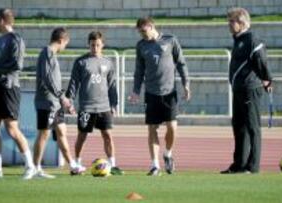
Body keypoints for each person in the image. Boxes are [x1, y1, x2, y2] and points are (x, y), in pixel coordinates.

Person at [128, 17, 190, 176]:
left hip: (169, 92)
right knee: (152, 129)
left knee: (172, 127)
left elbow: (181, 63)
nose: (142, 34)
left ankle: (168, 154)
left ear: (151, 26)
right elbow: (139, 71)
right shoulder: (141, 46)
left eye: (143, 31)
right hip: (151, 93)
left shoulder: (170, 40)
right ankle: (155, 165)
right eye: (140, 32)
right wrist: (136, 91)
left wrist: (186, 84)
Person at [0, 8, 35, 179]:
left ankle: (30, 165)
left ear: (2, 20)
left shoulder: (16, 39)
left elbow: (17, 64)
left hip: (9, 87)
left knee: (11, 129)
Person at [221, 7, 273, 174]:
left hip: (250, 89)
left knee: (252, 127)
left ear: (241, 23)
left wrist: (267, 79)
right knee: (239, 127)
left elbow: (261, 61)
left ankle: (253, 166)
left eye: (231, 21)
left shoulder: (252, 39)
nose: (229, 24)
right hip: (238, 89)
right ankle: (239, 165)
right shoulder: (238, 39)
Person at [65, 31, 123, 175]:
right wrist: (69, 101)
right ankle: (77, 164)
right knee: (82, 136)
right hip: (86, 106)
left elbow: (112, 85)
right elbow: (74, 83)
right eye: (92, 45)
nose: (95, 48)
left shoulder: (108, 63)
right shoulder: (81, 62)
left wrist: (114, 104)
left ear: (102, 45)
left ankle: (112, 164)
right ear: (88, 45)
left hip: (104, 106)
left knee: (108, 136)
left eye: (98, 45)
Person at [33, 27, 82, 178]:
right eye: (65, 44)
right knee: (44, 133)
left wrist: (64, 102)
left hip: (56, 103)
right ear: (61, 41)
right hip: (47, 102)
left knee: (62, 132)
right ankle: (35, 168)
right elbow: (48, 80)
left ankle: (73, 165)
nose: (65, 47)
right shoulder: (47, 53)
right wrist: (62, 97)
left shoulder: (51, 55)